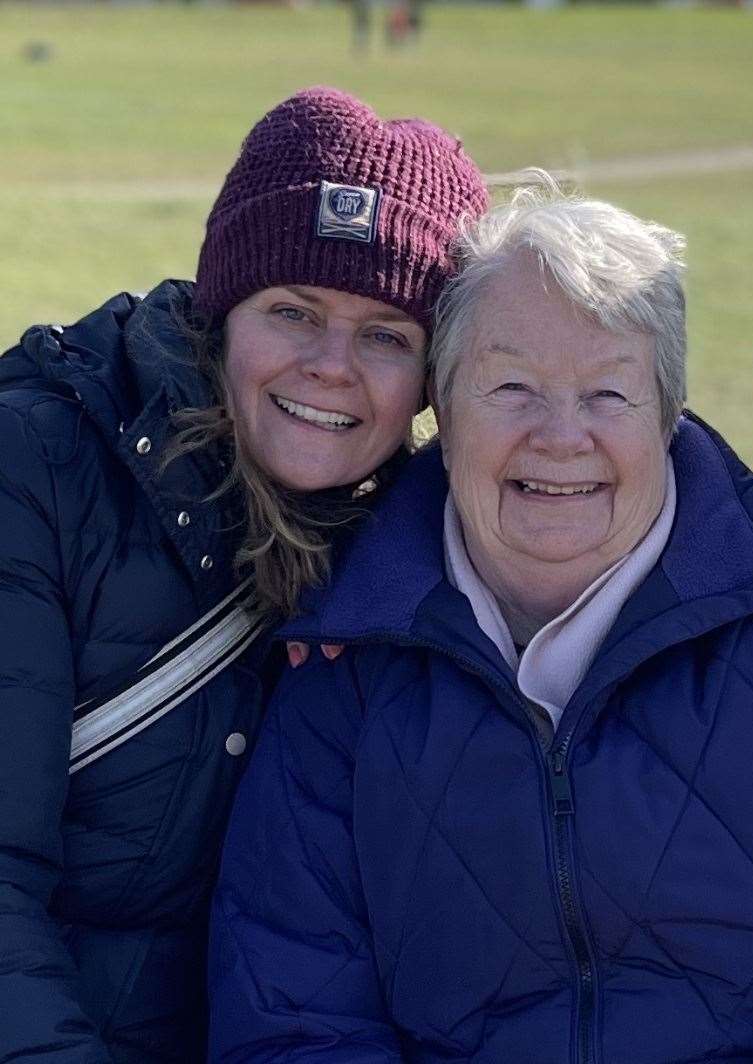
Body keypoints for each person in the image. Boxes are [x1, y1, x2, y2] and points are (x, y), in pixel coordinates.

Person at [208, 189, 753, 1062]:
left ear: (667, 411)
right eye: (511, 386)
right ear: (443, 402)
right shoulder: (351, 640)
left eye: (608, 393)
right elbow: (291, 1001)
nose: (562, 437)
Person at [0, 87, 487, 1062]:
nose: (330, 365)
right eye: (292, 311)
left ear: (435, 378)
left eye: (388, 334)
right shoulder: (38, 465)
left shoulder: (429, 545)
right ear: (224, 311)